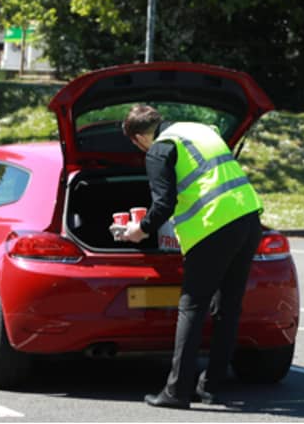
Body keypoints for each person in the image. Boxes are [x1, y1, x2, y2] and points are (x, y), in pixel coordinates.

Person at [121, 104, 263, 409]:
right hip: (249, 217)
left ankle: (177, 392)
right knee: (228, 307)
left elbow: (163, 204)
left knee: (192, 307)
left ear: (137, 138)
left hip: (214, 225)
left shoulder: (159, 150)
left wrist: (140, 230)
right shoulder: (199, 129)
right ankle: (211, 386)